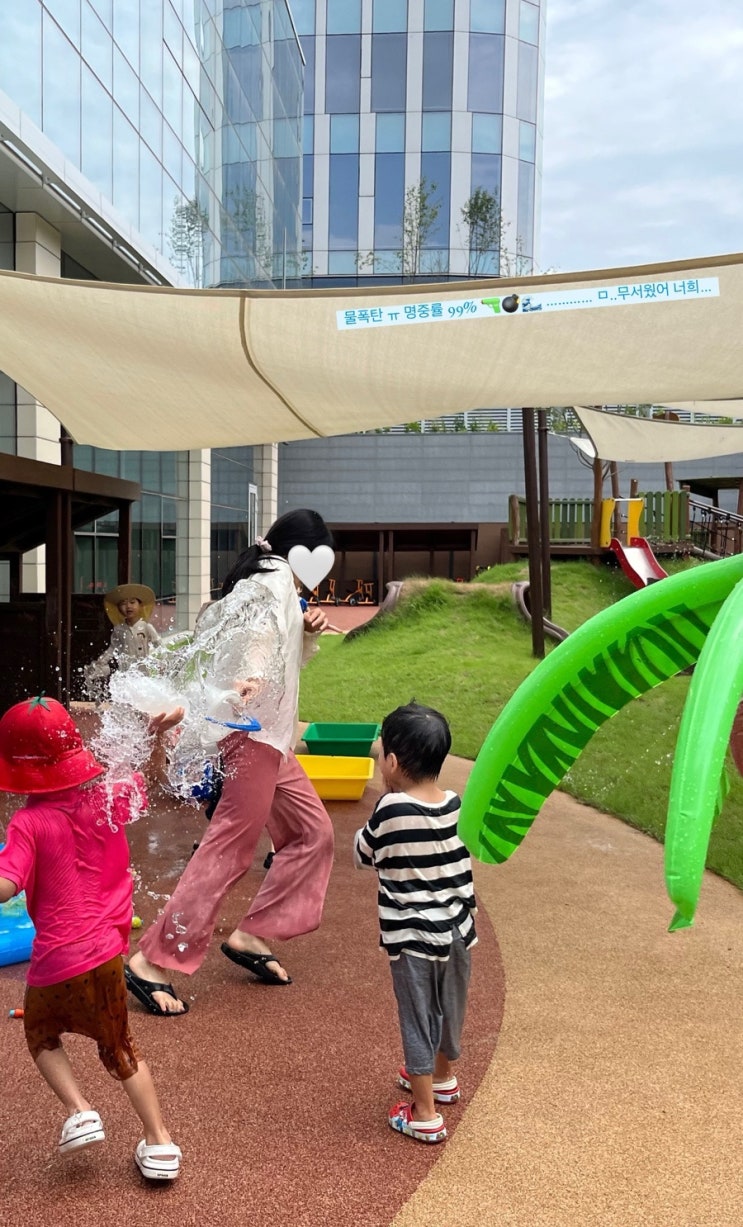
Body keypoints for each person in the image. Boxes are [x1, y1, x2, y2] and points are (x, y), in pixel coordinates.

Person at [126, 508, 336, 1015]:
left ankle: (252, 934)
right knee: (227, 851)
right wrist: (251, 678)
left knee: (312, 833)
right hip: (252, 734)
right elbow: (258, 639)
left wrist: (306, 630)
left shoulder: (274, 581)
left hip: (270, 738)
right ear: (302, 553)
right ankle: (152, 961)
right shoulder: (273, 582)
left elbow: (278, 646)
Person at [0, 695, 183, 1180]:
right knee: (121, 1048)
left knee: (41, 1035)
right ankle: (160, 1143)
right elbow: (149, 783)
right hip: (106, 955)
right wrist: (155, 738)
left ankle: (80, 1110)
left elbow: (6, 885)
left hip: (56, 961)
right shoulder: (106, 797)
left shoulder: (27, 822)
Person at [353, 702, 477, 1145]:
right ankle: (442, 1078)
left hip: (414, 938)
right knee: (448, 1006)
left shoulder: (390, 809)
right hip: (458, 930)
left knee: (418, 1016)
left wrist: (379, 806)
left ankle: (424, 1114)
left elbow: (362, 853)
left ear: (391, 761)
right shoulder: (457, 803)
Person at [84, 583, 161, 697]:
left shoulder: (146, 627)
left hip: (143, 672)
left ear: (140, 605)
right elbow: (112, 648)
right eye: (123, 604)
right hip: (125, 671)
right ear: (118, 608)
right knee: (126, 696)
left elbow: (159, 645)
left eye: (132, 602)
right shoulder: (119, 629)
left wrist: (159, 662)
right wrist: (102, 661)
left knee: (142, 696)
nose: (128, 606)